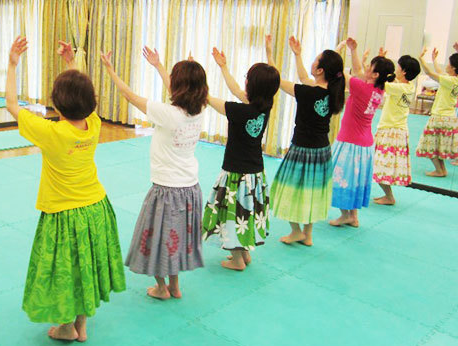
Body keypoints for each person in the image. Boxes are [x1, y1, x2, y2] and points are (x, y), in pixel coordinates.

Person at [6, 37, 126, 341]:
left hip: (64, 214)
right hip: (97, 209)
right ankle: (81, 325)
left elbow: (11, 105)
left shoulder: (51, 132)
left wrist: (11, 64)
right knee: (84, 268)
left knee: (67, 271)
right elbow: (80, 95)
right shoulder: (95, 125)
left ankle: (65, 327)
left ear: (56, 104)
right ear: (91, 104)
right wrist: (71, 63)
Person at [105, 47, 207, 299]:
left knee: (158, 240)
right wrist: (159, 66)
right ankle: (175, 285)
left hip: (166, 191)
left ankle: (162, 288)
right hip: (190, 190)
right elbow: (177, 88)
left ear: (179, 87)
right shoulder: (199, 111)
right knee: (176, 238)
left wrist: (110, 71)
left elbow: (130, 96)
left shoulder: (168, 114)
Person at [202, 47, 280, 270]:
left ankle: (237, 260)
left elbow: (207, 98)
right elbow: (235, 89)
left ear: (252, 86)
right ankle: (244, 254)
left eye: (247, 78)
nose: (243, 81)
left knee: (233, 214)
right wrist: (223, 66)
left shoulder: (240, 111)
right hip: (255, 173)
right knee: (245, 212)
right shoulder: (264, 107)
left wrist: (196, 78)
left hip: (236, 173)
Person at [266, 35, 346, 246]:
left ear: (320, 70)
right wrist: (297, 55)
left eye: (315, 60)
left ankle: (296, 231)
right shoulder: (332, 92)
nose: (312, 62)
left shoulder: (307, 92)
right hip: (321, 151)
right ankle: (307, 235)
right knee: (311, 192)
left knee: (291, 190)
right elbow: (304, 78)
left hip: (302, 149)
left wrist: (269, 54)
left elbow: (277, 79)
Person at [329, 38, 394, 227]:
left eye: (370, 68)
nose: (365, 69)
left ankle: (345, 215)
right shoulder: (378, 90)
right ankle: (353, 216)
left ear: (375, 74)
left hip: (349, 142)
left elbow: (344, 72)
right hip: (364, 144)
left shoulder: (362, 88)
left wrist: (342, 50)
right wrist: (354, 51)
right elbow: (358, 71)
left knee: (340, 179)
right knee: (353, 180)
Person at [373, 55, 421, 204]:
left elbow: (380, 84)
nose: (396, 68)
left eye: (399, 66)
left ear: (404, 71)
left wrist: (378, 67)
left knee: (380, 166)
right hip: (396, 130)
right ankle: (388, 195)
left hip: (391, 131)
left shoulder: (399, 88)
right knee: (381, 165)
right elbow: (392, 81)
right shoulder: (408, 87)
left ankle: (389, 196)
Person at [415, 47, 458, 175]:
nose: (447, 65)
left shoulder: (449, 80)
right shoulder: (452, 80)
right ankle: (442, 170)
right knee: (437, 145)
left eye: (449, 63)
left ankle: (439, 170)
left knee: (429, 144)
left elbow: (430, 73)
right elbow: (439, 73)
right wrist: (434, 60)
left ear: (454, 68)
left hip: (440, 116)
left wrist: (421, 59)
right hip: (449, 117)